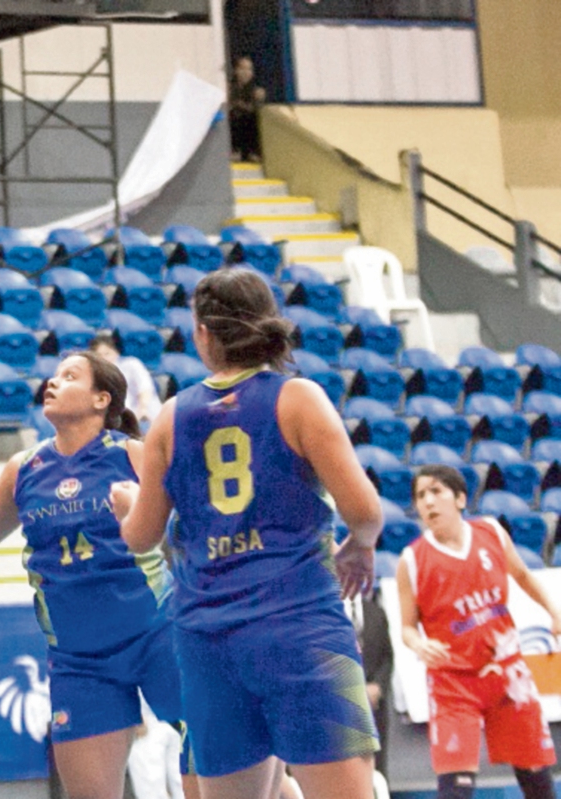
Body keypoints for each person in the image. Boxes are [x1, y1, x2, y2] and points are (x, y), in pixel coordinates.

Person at [117, 268, 382, 799]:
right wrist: (361, 545)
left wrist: (127, 505)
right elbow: (365, 510)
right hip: (299, 627)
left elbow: (140, 538)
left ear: (203, 334)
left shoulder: (170, 416)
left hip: (208, 640)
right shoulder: (298, 398)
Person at [0, 351, 193, 799]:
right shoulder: (24, 470)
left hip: (156, 634)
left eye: (70, 376)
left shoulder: (132, 454)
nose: (52, 381)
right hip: (79, 660)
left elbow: (191, 525)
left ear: (101, 399)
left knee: (220, 768)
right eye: (53, 375)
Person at [397, 464, 560, 799]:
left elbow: (524, 576)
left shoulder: (491, 532)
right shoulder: (411, 561)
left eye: (436, 491)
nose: (428, 501)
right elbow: (407, 628)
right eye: (421, 496)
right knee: (456, 787)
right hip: (453, 682)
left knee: (537, 779)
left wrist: (554, 612)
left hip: (506, 673)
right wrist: (419, 645)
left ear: (460, 499)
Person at [346, 591, 394, 779]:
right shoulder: (325, 612)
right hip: (338, 705)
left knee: (377, 769)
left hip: (373, 707)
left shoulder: (376, 612)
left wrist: (378, 687)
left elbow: (387, 657)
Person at [90, 333, 162, 427]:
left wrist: (142, 409)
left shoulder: (132, 364)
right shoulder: (94, 373)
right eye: (99, 355)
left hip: (145, 415)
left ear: (117, 352)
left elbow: (145, 388)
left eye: (107, 354)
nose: (104, 358)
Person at [228, 57, 264, 163]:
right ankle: (235, 150)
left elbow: (253, 108)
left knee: (252, 117)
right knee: (236, 115)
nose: (246, 72)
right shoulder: (230, 87)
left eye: (249, 69)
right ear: (235, 70)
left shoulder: (255, 90)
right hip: (234, 121)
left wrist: (258, 99)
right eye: (242, 68)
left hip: (247, 123)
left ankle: (252, 152)